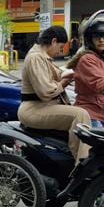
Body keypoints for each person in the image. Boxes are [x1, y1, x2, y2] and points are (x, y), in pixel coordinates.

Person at [17, 25, 90, 162]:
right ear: (54, 41)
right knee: (80, 114)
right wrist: (63, 83)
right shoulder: (36, 58)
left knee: (81, 111)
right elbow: (46, 91)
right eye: (61, 47)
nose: (60, 52)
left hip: (41, 107)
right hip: (34, 109)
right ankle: (82, 162)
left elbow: (59, 73)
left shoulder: (43, 57)